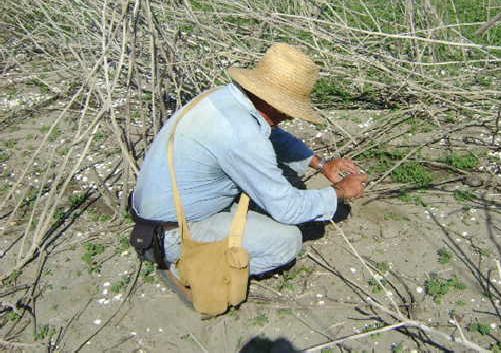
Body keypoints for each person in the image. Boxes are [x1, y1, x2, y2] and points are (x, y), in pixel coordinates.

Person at [131, 43, 368, 305]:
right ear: (269, 99)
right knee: (286, 242)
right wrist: (339, 192)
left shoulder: (222, 97)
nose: (290, 116)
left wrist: (321, 164)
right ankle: (183, 268)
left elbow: (272, 136)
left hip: (157, 210)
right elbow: (288, 209)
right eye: (288, 108)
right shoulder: (242, 136)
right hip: (168, 232)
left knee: (266, 188)